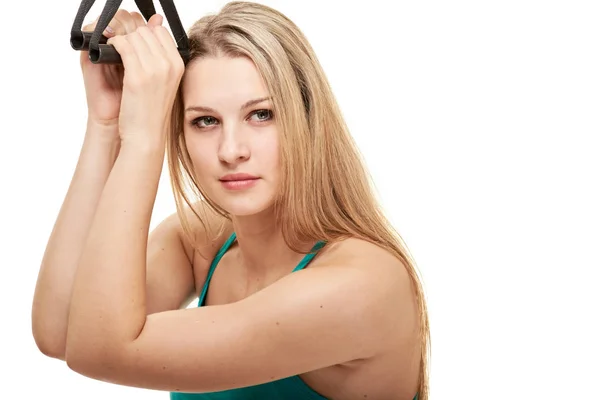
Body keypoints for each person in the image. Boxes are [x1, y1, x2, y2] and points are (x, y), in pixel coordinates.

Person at [31, 2, 429, 399]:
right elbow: (61, 332)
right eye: (205, 121)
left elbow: (102, 352)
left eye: (261, 115)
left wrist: (143, 138)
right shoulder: (204, 241)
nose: (231, 150)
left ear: (307, 119)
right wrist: (106, 124)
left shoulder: (362, 284)